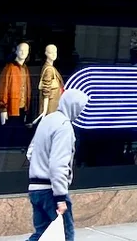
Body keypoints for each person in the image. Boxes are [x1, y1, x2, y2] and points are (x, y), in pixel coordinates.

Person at [26, 88, 89, 241]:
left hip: (35, 189)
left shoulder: (48, 120)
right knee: (65, 235)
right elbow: (58, 164)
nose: (80, 112)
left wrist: (40, 165)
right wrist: (60, 197)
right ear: (74, 106)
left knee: (41, 234)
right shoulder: (64, 127)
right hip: (51, 191)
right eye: (81, 107)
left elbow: (30, 152)